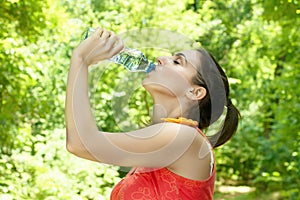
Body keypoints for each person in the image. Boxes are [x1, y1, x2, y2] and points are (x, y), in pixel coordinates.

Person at [65, 27, 240, 200]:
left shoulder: (183, 136)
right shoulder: (168, 140)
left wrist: (80, 60)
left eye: (177, 61)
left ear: (195, 92)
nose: (160, 58)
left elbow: (80, 144)